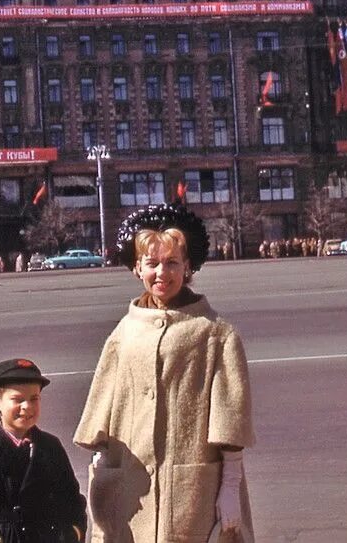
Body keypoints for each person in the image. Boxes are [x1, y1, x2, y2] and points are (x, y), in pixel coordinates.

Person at [74, 203, 255, 543]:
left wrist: (230, 485)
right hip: (131, 488)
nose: (162, 273)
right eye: (152, 263)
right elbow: (102, 411)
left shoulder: (215, 333)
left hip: (193, 490)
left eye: (172, 263)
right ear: (137, 268)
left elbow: (231, 424)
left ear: (188, 267)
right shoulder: (124, 332)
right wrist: (100, 466)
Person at [0, 358, 86, 543]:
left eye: (34, 399)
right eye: (17, 399)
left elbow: (70, 496)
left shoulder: (50, 446)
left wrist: (74, 530)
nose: (27, 407)